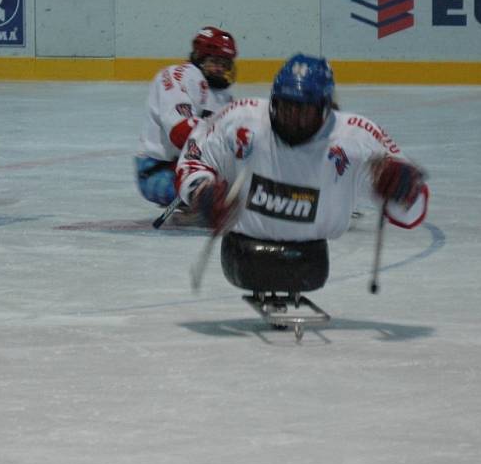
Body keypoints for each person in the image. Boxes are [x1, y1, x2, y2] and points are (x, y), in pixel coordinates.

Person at [176, 53, 428, 290]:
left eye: (303, 111)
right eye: (286, 107)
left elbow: (412, 213)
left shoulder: (358, 138)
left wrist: (403, 188)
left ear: (325, 108)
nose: (291, 119)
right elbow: (194, 157)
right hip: (241, 251)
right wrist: (202, 192)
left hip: (311, 260)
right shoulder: (241, 118)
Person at [135, 26, 237, 209]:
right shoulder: (178, 76)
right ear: (199, 57)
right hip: (158, 171)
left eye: (225, 64)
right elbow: (180, 132)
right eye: (215, 61)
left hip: (193, 167)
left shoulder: (223, 96)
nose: (220, 69)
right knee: (224, 196)